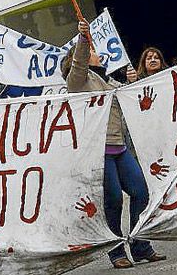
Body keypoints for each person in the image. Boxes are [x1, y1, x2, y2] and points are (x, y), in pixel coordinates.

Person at [64, 21, 165, 269]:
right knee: (113, 200)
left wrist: (133, 82)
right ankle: (116, 250)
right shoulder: (78, 81)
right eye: (93, 51)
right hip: (99, 151)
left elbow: (131, 98)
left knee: (141, 192)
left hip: (119, 148)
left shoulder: (107, 81)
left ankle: (141, 245)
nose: (98, 53)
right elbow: (78, 62)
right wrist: (83, 38)